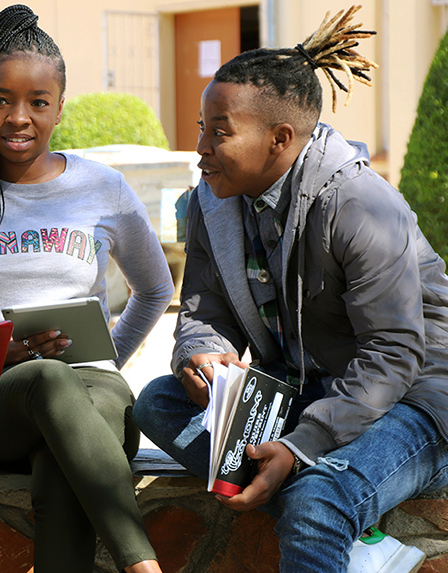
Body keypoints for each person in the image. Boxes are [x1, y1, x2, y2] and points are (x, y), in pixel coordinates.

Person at [133, 6, 448, 573]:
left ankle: (329, 503)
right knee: (159, 402)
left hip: (416, 399)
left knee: (315, 505)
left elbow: (396, 354)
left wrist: (301, 447)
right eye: (202, 127)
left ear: (280, 138)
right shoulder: (212, 200)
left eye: (219, 132)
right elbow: (204, 304)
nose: (200, 146)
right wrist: (199, 352)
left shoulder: (360, 206)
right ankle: (360, 537)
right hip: (311, 386)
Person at [0, 5, 173, 572]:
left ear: (58, 107)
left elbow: (155, 289)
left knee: (62, 455)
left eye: (37, 102)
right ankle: (143, 565)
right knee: (48, 379)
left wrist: (108, 358)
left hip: (94, 397)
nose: (18, 117)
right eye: (0, 99)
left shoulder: (103, 187)